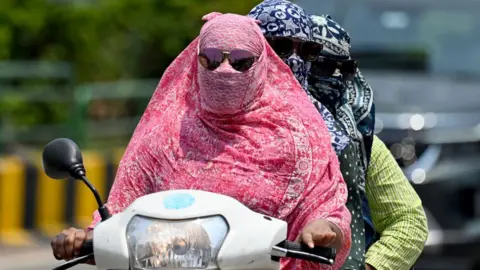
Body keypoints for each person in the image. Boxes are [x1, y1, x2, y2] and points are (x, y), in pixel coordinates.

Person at [51, 12, 352, 270]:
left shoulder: (298, 136)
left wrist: (325, 228)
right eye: (210, 59)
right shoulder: (165, 132)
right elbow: (121, 214)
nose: (224, 70)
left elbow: (325, 208)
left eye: (240, 61)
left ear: (261, 64)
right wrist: (85, 238)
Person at [248, 1, 428, 270]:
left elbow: (408, 219)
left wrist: (368, 266)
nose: (332, 77)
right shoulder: (226, 128)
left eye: (342, 69)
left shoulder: (356, 141)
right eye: (320, 65)